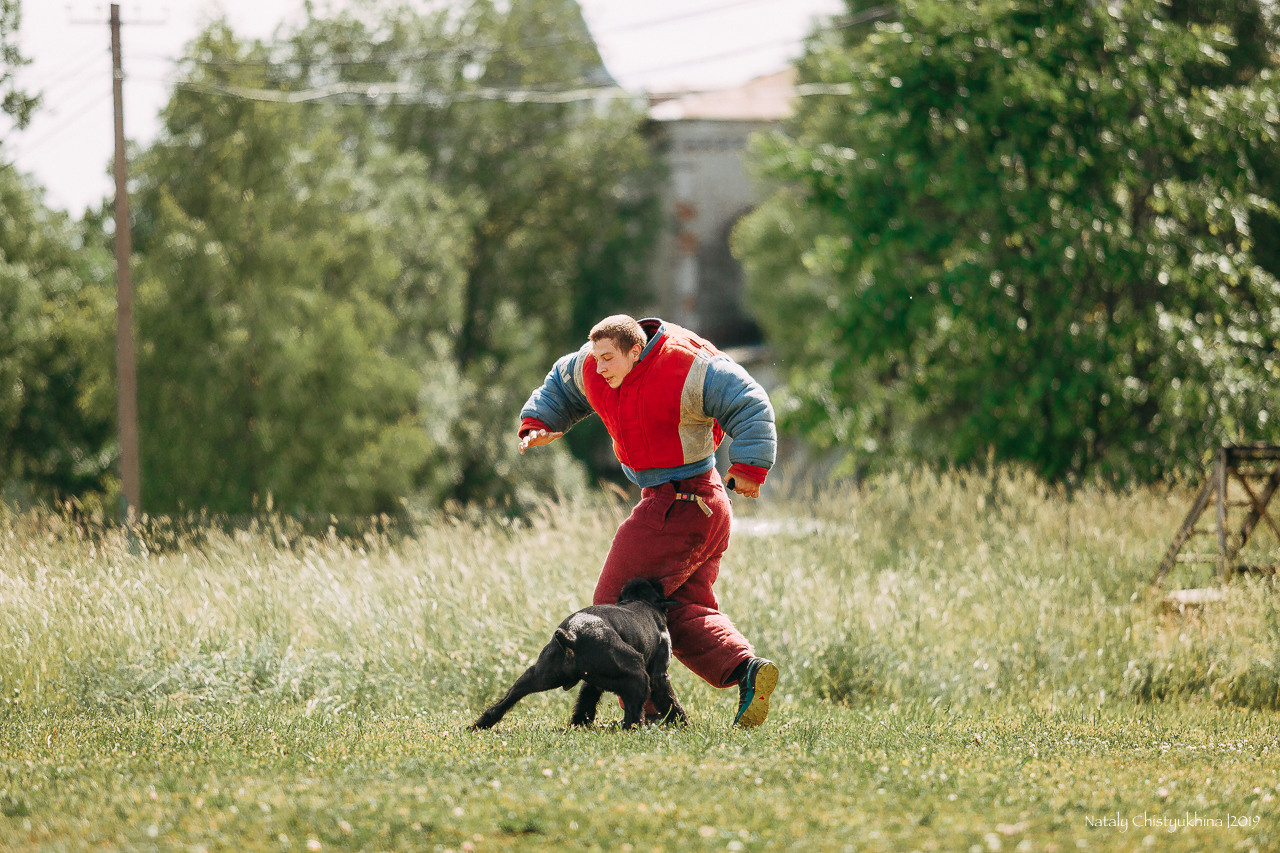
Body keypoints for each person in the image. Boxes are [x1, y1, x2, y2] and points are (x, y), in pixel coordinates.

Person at [517, 314, 779, 727]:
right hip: (696, 504)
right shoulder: (596, 364)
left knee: (613, 609)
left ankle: (651, 714)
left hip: (682, 503)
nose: (600, 367)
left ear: (636, 352)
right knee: (672, 610)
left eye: (609, 359)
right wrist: (540, 423)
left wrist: (750, 464)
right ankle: (746, 671)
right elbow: (563, 381)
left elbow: (749, 399)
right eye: (597, 357)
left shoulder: (686, 364)